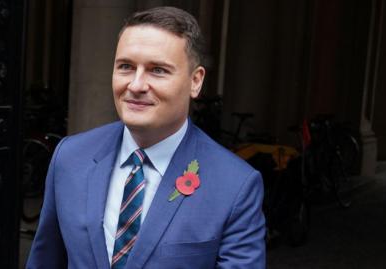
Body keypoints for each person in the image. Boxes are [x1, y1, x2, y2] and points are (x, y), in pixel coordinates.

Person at [26, 6, 265, 269]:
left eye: (158, 70)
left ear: (195, 81)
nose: (136, 85)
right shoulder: (70, 157)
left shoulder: (235, 185)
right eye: (126, 67)